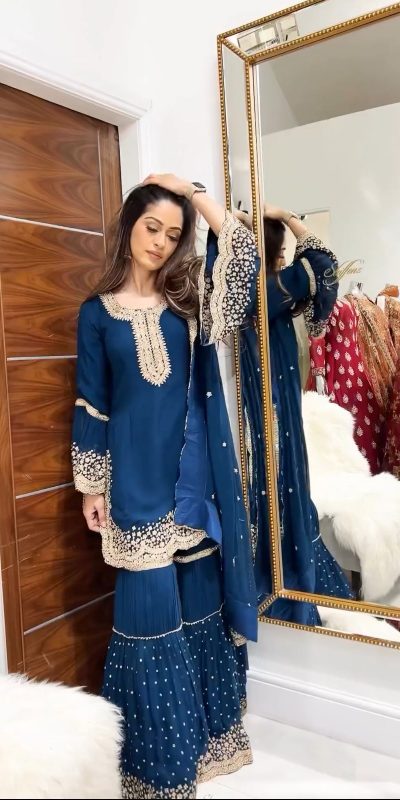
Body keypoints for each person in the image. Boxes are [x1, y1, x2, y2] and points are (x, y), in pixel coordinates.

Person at [71, 174, 259, 799]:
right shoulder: (97, 314)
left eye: (173, 235)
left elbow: (243, 260)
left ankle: (210, 746)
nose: (160, 242)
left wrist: (189, 190)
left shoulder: (189, 305)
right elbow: (92, 402)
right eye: (151, 227)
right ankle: (159, 770)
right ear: (129, 225)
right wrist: (91, 485)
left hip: (190, 486)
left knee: (200, 614)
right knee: (149, 625)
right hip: (134, 486)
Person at [238, 205, 352, 624]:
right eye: (281, 251)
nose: (286, 257)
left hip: (257, 419)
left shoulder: (245, 297)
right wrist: (287, 216)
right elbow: (324, 267)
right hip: (276, 416)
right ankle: (285, 585)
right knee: (281, 489)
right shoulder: (274, 291)